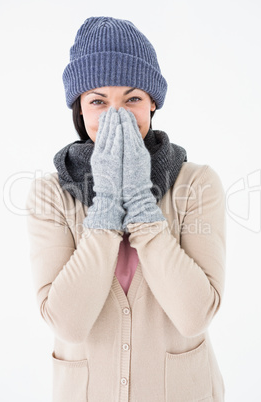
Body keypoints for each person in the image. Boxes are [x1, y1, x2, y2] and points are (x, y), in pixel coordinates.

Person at [26, 16, 226, 402]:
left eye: (132, 99)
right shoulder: (49, 193)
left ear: (153, 102)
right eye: (98, 101)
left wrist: (138, 201)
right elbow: (67, 323)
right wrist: (105, 208)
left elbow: (194, 316)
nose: (115, 114)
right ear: (80, 110)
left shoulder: (197, 183)